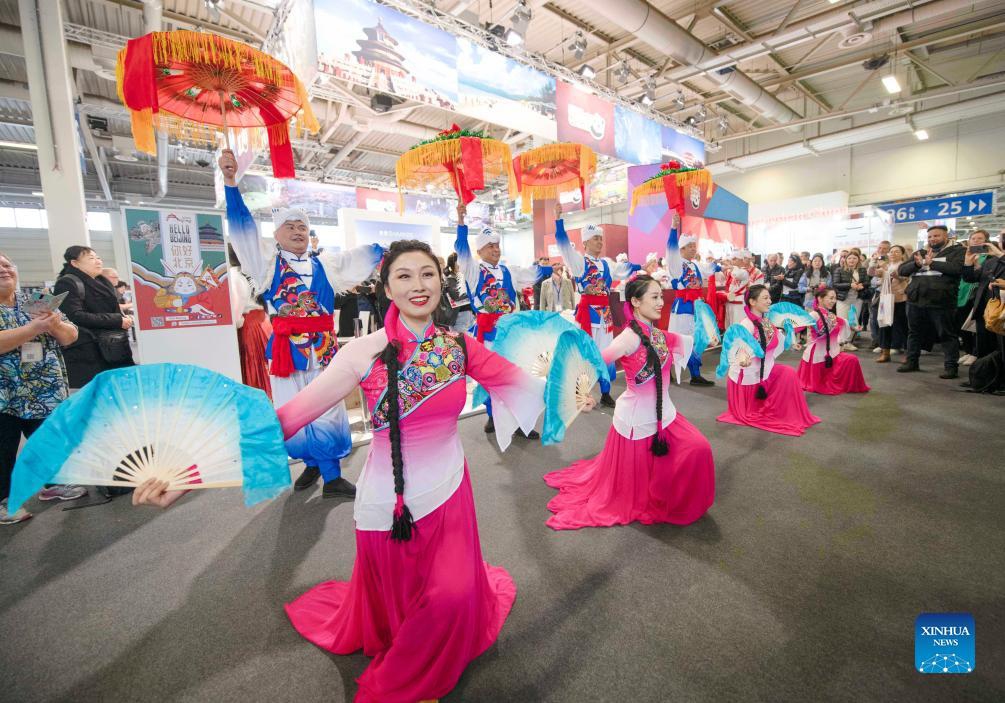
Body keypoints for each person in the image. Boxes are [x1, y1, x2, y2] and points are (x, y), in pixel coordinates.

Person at [136, 240, 550, 702]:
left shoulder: (460, 345)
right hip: (383, 499)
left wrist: (575, 389)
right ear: (387, 288)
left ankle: (417, 673)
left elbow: (521, 383)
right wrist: (189, 474)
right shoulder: (362, 353)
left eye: (428, 274)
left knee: (451, 594)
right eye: (405, 276)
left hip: (449, 490)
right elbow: (290, 416)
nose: (419, 285)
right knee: (401, 595)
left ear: (442, 282)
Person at [220, 149, 383, 498]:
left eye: (303, 228)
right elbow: (244, 232)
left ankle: (332, 473)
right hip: (286, 353)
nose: (297, 232)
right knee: (293, 409)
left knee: (328, 406)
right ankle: (311, 462)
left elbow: (361, 258)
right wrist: (231, 185)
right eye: (289, 227)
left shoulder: (327, 266)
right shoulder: (264, 265)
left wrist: (386, 251)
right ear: (276, 234)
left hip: (323, 351)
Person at [544, 274, 714, 530]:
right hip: (636, 422)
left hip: (665, 415)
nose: (660, 303)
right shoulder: (628, 338)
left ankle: (671, 496)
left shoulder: (658, 334)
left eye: (661, 296)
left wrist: (710, 337)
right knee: (637, 488)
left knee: (699, 449)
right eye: (654, 297)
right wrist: (582, 395)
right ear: (635, 301)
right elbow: (595, 362)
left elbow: (689, 344)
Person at [1, 252, 86, 523]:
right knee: (3, 450)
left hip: (45, 389)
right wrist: (35, 328)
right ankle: (4, 500)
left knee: (49, 439)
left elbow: (71, 336)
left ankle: (54, 484)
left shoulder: (36, 300)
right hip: (6, 394)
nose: (4, 270)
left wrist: (56, 324)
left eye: (6, 265)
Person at [454, 202, 544, 434]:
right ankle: (493, 414)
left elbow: (529, 275)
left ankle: (521, 422)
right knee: (489, 378)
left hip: (511, 333)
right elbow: (462, 252)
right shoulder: (474, 271)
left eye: (497, 245)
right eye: (490, 246)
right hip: (486, 335)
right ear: (480, 250)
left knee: (516, 376)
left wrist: (546, 270)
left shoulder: (508, 271)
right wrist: (461, 223)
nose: (495, 249)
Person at [553, 201, 640, 407]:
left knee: (607, 352)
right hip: (587, 315)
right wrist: (558, 221)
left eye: (601, 238)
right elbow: (564, 246)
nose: (600, 242)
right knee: (586, 354)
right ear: (585, 243)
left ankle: (606, 391)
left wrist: (643, 265)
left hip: (605, 316)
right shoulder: (579, 262)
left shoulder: (606, 263)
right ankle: (582, 392)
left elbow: (624, 269)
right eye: (595, 239)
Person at [716, 284, 820, 436]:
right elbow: (738, 346)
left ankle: (784, 411)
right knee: (785, 375)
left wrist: (791, 341)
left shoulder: (765, 321)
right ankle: (772, 410)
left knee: (789, 373)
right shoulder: (747, 323)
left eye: (769, 297)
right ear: (752, 302)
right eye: (765, 298)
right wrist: (742, 357)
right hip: (748, 379)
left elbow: (775, 339)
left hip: (762, 371)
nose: (769, 301)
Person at [53, 246, 134, 389]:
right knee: (97, 394)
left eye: (98, 258)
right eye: (91, 258)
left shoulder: (102, 281)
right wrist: (117, 320)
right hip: (88, 352)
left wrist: (124, 318)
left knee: (120, 391)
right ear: (75, 263)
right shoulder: (68, 282)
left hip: (113, 346)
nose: (97, 261)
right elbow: (74, 316)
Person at [897, 225, 966, 378]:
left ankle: (951, 367)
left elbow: (957, 269)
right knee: (914, 333)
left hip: (942, 301)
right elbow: (902, 270)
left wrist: (931, 263)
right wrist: (916, 264)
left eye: (936, 236)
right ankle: (912, 361)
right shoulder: (919, 253)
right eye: (930, 237)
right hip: (916, 300)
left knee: (947, 335)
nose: (932, 239)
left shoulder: (958, 251)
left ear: (946, 237)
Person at [666, 214, 718, 386]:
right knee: (679, 341)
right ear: (681, 249)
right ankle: (667, 371)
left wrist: (718, 266)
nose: (693, 249)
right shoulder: (676, 263)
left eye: (694, 246)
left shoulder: (694, 265)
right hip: (682, 307)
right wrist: (673, 229)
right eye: (690, 246)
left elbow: (707, 269)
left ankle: (695, 374)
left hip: (695, 307)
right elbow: (670, 250)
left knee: (694, 340)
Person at [798, 286, 870, 395]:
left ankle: (848, 386)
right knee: (851, 360)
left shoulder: (830, 315)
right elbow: (799, 326)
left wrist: (854, 327)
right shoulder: (813, 315)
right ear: (820, 299)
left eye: (835, 298)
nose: (834, 301)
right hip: (818, 356)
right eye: (831, 298)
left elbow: (844, 323)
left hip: (831, 353)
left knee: (852, 360)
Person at [957, 230, 1003, 365]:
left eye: (980, 238)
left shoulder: (996, 258)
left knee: (996, 343)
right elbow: (971, 278)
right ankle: (983, 375)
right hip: (981, 304)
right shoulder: (989, 261)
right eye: (973, 238)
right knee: (983, 340)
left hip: (997, 306)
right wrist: (968, 263)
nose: (976, 241)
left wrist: (999, 255)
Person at [873, 245, 910, 363]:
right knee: (884, 326)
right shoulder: (886, 265)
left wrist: (897, 276)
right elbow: (874, 275)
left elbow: (908, 279)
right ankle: (885, 352)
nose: (893, 254)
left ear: (902, 254)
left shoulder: (905, 266)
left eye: (897, 251)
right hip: (885, 299)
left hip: (900, 299)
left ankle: (908, 353)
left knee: (902, 326)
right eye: (891, 252)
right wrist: (876, 266)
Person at [831, 250, 870, 351]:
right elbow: (835, 284)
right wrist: (850, 285)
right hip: (843, 299)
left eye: (854, 258)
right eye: (849, 258)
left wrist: (862, 285)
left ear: (858, 260)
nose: (852, 260)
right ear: (845, 260)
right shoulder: (839, 270)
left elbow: (867, 282)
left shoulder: (862, 270)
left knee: (853, 321)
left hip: (857, 299)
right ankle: (840, 343)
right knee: (843, 321)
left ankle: (848, 342)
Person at [724, 250, 764, 328]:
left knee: (740, 325)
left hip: (745, 302)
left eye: (746, 257)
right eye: (743, 257)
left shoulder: (756, 272)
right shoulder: (732, 270)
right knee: (730, 326)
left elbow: (758, 290)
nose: (744, 259)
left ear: (751, 259)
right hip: (730, 301)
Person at [443, 252, 474, 333]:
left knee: (468, 340)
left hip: (468, 314)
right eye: (459, 261)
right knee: (461, 340)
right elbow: (456, 296)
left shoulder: (462, 277)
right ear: (453, 264)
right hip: (460, 315)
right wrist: (471, 295)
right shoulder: (451, 278)